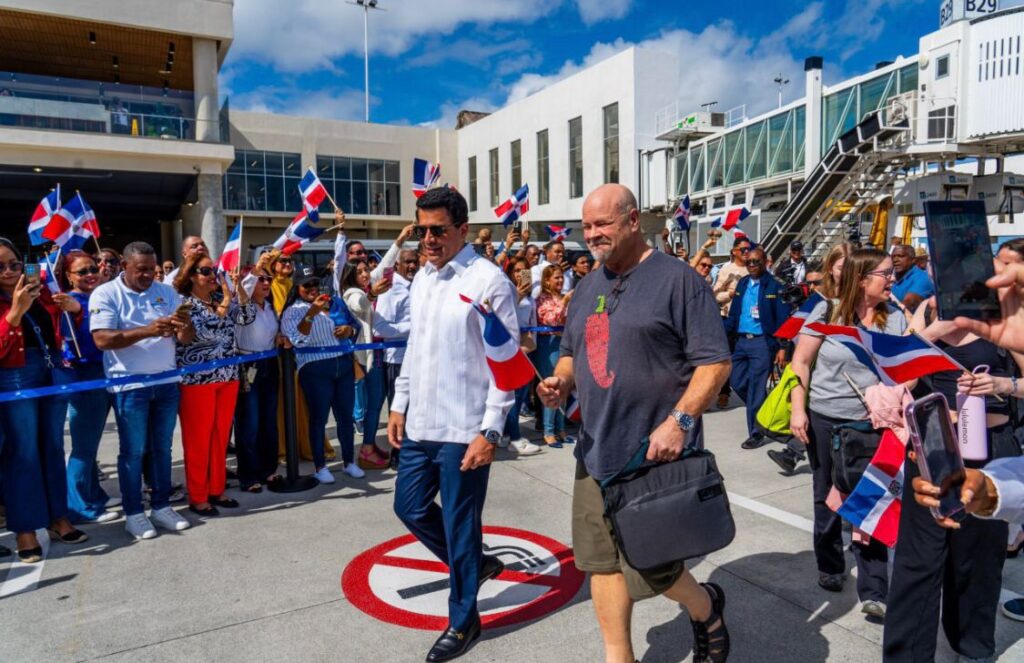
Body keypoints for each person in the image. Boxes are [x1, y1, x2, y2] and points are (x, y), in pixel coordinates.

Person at [538, 184, 733, 663]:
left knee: (656, 568)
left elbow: (714, 363)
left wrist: (679, 422)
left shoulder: (679, 280)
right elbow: (568, 353)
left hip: (654, 455)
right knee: (601, 564)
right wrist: (561, 382)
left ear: (632, 220)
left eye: (602, 223)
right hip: (595, 452)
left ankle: (706, 609)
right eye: (586, 226)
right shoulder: (586, 286)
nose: (592, 235)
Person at [387, 187, 513, 662]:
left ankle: (464, 621)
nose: (429, 239)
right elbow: (415, 348)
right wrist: (399, 403)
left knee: (461, 527)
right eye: (422, 230)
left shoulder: (488, 281)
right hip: (420, 424)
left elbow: (505, 363)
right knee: (410, 507)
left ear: (462, 229)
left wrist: (491, 430)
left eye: (438, 230)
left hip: (464, 429)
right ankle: (475, 566)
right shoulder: (422, 278)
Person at [881, 297, 1021, 662]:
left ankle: (972, 649)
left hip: (992, 448)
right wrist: (934, 330)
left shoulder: (1007, 310)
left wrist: (1002, 385)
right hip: (932, 445)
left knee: (978, 559)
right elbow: (897, 373)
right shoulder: (928, 310)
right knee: (916, 560)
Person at [790, 247, 906, 618]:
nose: (893, 279)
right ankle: (830, 564)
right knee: (826, 493)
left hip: (874, 423)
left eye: (892, 273)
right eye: (885, 274)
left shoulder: (897, 318)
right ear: (861, 278)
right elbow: (801, 362)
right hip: (825, 418)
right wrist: (798, 408)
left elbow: (907, 368)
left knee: (872, 499)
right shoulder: (824, 312)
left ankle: (874, 589)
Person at [90, 241, 194, 540]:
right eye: (141, 270)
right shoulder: (106, 293)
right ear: (124, 266)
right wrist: (148, 330)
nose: (149, 275)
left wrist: (184, 325)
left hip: (165, 382)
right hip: (129, 385)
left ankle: (161, 507)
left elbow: (186, 339)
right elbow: (102, 340)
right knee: (133, 452)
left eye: (152, 269)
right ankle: (134, 513)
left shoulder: (166, 291)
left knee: (162, 449)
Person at [0, 238, 89, 562]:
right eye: (1, 267)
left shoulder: (40, 288)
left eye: (14, 263)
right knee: (22, 452)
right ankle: (25, 529)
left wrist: (68, 307)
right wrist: (14, 313)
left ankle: (57, 516)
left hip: (50, 370)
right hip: (14, 375)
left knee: (52, 446)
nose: (9, 271)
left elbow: (65, 326)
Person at [173, 255, 255, 516]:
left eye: (214, 270)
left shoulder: (220, 300)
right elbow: (201, 335)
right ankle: (198, 496)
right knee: (198, 440)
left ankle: (217, 489)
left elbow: (247, 317)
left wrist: (237, 288)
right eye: (205, 270)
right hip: (197, 382)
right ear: (191, 276)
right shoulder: (185, 304)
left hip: (227, 378)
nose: (212, 275)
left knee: (220, 437)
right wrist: (225, 306)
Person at [766, 244, 851, 476]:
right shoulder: (820, 305)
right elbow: (800, 353)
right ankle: (792, 452)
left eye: (816, 283)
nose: (812, 288)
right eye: (810, 283)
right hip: (817, 379)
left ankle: (791, 453)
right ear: (830, 271)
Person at [281, 266, 363, 484]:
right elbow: (297, 339)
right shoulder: (293, 311)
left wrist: (348, 330)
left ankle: (349, 462)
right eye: (307, 285)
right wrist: (311, 313)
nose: (312, 288)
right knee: (319, 420)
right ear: (297, 287)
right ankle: (320, 466)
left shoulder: (333, 302)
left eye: (315, 284)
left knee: (346, 417)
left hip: (343, 363)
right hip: (315, 369)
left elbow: (354, 326)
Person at [53, 250, 118, 524]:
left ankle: (94, 495)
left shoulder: (98, 296)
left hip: (104, 372)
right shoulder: (67, 303)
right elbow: (84, 340)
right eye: (82, 271)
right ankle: (79, 506)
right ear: (68, 276)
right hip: (85, 374)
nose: (90, 274)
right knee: (84, 445)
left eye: (93, 268)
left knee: (90, 443)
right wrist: (78, 311)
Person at [725, 247, 792, 450]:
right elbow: (734, 314)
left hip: (762, 343)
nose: (752, 265)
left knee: (756, 386)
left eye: (756, 262)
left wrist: (783, 347)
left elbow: (783, 319)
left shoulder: (775, 286)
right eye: (749, 262)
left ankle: (755, 432)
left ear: (766, 262)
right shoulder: (743, 283)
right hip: (741, 341)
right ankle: (763, 407)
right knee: (736, 381)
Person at [235, 253, 282, 493]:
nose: (266, 283)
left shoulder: (271, 308)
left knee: (268, 423)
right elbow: (245, 285)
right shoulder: (242, 307)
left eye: (269, 279)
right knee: (249, 424)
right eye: (261, 279)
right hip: (248, 366)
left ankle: (268, 469)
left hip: (269, 365)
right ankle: (249, 475)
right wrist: (258, 267)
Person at [340, 259, 392, 470]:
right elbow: (359, 305)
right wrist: (372, 295)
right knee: (374, 404)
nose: (365, 273)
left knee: (376, 403)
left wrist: (398, 242)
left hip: (373, 354)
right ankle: (367, 449)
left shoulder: (363, 289)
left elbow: (385, 263)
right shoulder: (353, 293)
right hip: (367, 357)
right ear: (351, 275)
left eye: (366, 270)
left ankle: (369, 444)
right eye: (360, 271)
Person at [502, 258, 544, 456]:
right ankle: (515, 437)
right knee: (513, 395)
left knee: (518, 395)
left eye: (524, 270)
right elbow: (504, 316)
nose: (520, 274)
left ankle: (507, 434)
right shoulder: (507, 290)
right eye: (517, 270)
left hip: (525, 348)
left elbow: (531, 319)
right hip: (510, 349)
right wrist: (517, 296)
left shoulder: (530, 293)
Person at [373, 248, 418, 426]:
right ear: (397, 264)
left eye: (415, 261)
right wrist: (413, 328)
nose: (413, 266)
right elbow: (379, 329)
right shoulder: (390, 289)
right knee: (400, 411)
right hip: (397, 360)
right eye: (408, 262)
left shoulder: (417, 285)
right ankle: (398, 453)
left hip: (416, 357)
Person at [535, 265, 573, 447]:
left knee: (563, 385)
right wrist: (565, 302)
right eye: (556, 278)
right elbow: (550, 320)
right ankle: (548, 431)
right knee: (551, 387)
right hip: (548, 345)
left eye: (561, 277)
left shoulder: (562, 296)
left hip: (564, 343)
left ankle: (561, 429)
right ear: (547, 280)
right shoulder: (542, 298)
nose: (560, 281)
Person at [712, 236, 751, 409]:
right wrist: (730, 294)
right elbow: (715, 295)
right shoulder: (727, 270)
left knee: (745, 357)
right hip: (728, 318)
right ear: (734, 252)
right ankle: (724, 392)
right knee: (726, 356)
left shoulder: (753, 269)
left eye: (748, 249)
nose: (746, 253)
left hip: (748, 319)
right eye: (743, 250)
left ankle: (748, 389)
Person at [890, 243, 934, 311]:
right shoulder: (890, 277)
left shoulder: (922, 278)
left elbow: (908, 305)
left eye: (900, 256)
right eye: (893, 257)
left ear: (913, 260)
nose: (895, 260)